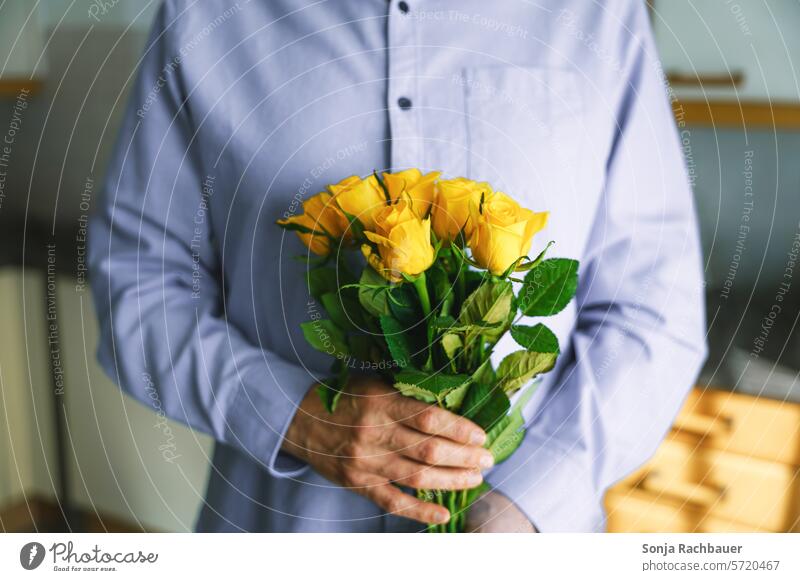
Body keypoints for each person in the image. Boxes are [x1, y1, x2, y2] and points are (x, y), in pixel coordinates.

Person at [89, 0, 706, 532]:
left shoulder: (598, 15)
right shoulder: (207, 15)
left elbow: (655, 307)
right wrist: (295, 416)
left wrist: (528, 502)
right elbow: (138, 284)